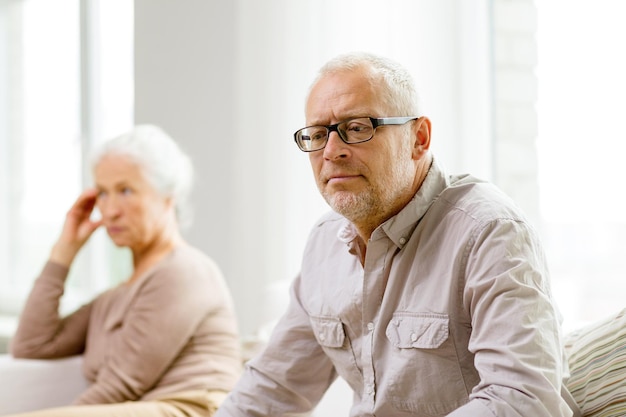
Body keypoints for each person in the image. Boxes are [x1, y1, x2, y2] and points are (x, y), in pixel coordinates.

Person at [215, 52, 581, 417]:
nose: (331, 152)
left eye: (357, 128)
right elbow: (272, 387)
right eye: (316, 134)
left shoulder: (490, 232)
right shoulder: (325, 244)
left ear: (418, 138)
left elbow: (524, 400)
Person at [8, 125, 242, 417]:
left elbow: (120, 386)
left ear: (167, 198)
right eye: (103, 193)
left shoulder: (184, 272)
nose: (110, 210)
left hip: (191, 408)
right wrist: (64, 252)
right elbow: (32, 345)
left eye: (126, 190)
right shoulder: (115, 296)